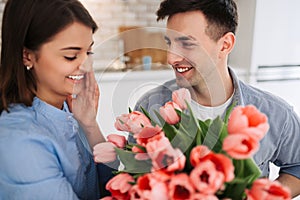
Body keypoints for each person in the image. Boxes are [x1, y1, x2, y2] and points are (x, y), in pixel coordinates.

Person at [132, 0, 300, 197]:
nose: (171, 58)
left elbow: (297, 166)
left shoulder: (275, 113)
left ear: (225, 45)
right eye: (170, 42)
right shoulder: (150, 108)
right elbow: (133, 176)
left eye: (187, 44)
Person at [0, 0, 113, 199]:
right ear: (27, 56)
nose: (86, 66)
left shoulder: (67, 109)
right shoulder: (20, 141)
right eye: (71, 56)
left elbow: (112, 187)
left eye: (89, 52)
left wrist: (89, 125)